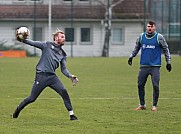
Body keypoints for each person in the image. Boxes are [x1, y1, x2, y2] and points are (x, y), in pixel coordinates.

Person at [13, 28, 79, 120]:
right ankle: (18, 109)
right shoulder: (47, 45)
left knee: (64, 92)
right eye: (62, 37)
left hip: (52, 77)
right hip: (41, 76)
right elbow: (33, 43)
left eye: (64, 37)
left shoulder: (63, 54)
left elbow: (63, 69)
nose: (64, 39)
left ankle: (72, 115)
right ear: (56, 38)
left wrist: (70, 76)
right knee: (32, 98)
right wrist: (22, 39)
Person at [128, 20, 172, 111]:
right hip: (144, 66)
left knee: (155, 85)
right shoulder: (141, 37)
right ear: (146, 27)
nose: (150, 28)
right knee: (140, 85)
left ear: (154, 27)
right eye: (148, 26)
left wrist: (168, 62)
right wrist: (131, 57)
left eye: (151, 27)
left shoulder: (159, 37)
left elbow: (166, 49)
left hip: (155, 66)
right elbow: (136, 48)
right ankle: (142, 105)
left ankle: (154, 105)